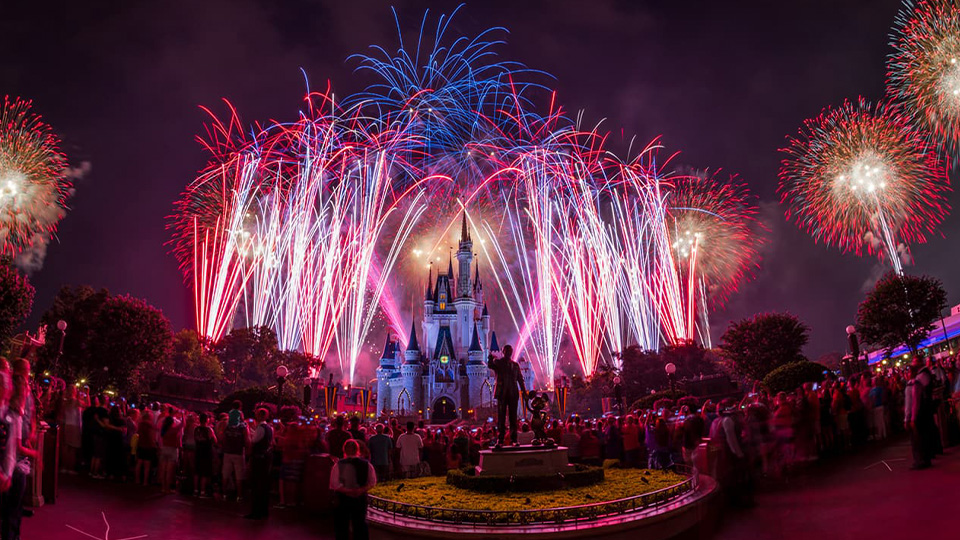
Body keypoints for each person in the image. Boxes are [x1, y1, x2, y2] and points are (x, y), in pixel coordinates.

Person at [330, 439, 377, 540]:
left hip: (343, 498)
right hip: (360, 498)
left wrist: (347, 491)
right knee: (360, 524)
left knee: (342, 525)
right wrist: (361, 490)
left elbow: (334, 483)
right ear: (357, 450)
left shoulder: (338, 465)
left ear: (344, 450)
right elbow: (372, 481)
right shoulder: (366, 464)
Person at [487, 344, 527, 447]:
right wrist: (490, 358)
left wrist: (524, 392)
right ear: (503, 352)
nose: (508, 352)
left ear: (511, 352)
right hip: (502, 393)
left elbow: (520, 380)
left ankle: (514, 439)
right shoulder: (499, 363)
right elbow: (490, 365)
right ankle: (500, 440)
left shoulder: (515, 365)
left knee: (513, 418)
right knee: (501, 417)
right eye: (506, 350)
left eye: (510, 350)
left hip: (513, 393)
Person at [245, 408, 274, 520]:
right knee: (263, 485)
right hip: (265, 458)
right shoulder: (269, 428)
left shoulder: (261, 428)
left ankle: (256, 511)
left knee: (257, 485)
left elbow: (254, 440)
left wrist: (248, 431)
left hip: (259, 459)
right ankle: (263, 510)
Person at [221, 403, 248, 501]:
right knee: (239, 475)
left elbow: (222, 438)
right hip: (238, 452)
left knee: (225, 474)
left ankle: (224, 494)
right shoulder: (243, 426)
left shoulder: (227, 425)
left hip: (227, 452)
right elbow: (247, 440)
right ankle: (239, 496)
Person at [194, 413, 216, 498]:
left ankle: (195, 490)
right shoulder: (209, 429)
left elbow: (195, 439)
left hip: (198, 451)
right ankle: (202, 492)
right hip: (206, 452)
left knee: (197, 471)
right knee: (204, 472)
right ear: (207, 420)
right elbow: (214, 440)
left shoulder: (196, 429)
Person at [134, 410, 157, 486]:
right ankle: (145, 481)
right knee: (147, 465)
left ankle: (137, 480)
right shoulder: (150, 425)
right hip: (148, 446)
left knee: (139, 463)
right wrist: (154, 445)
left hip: (140, 444)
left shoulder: (140, 424)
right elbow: (150, 436)